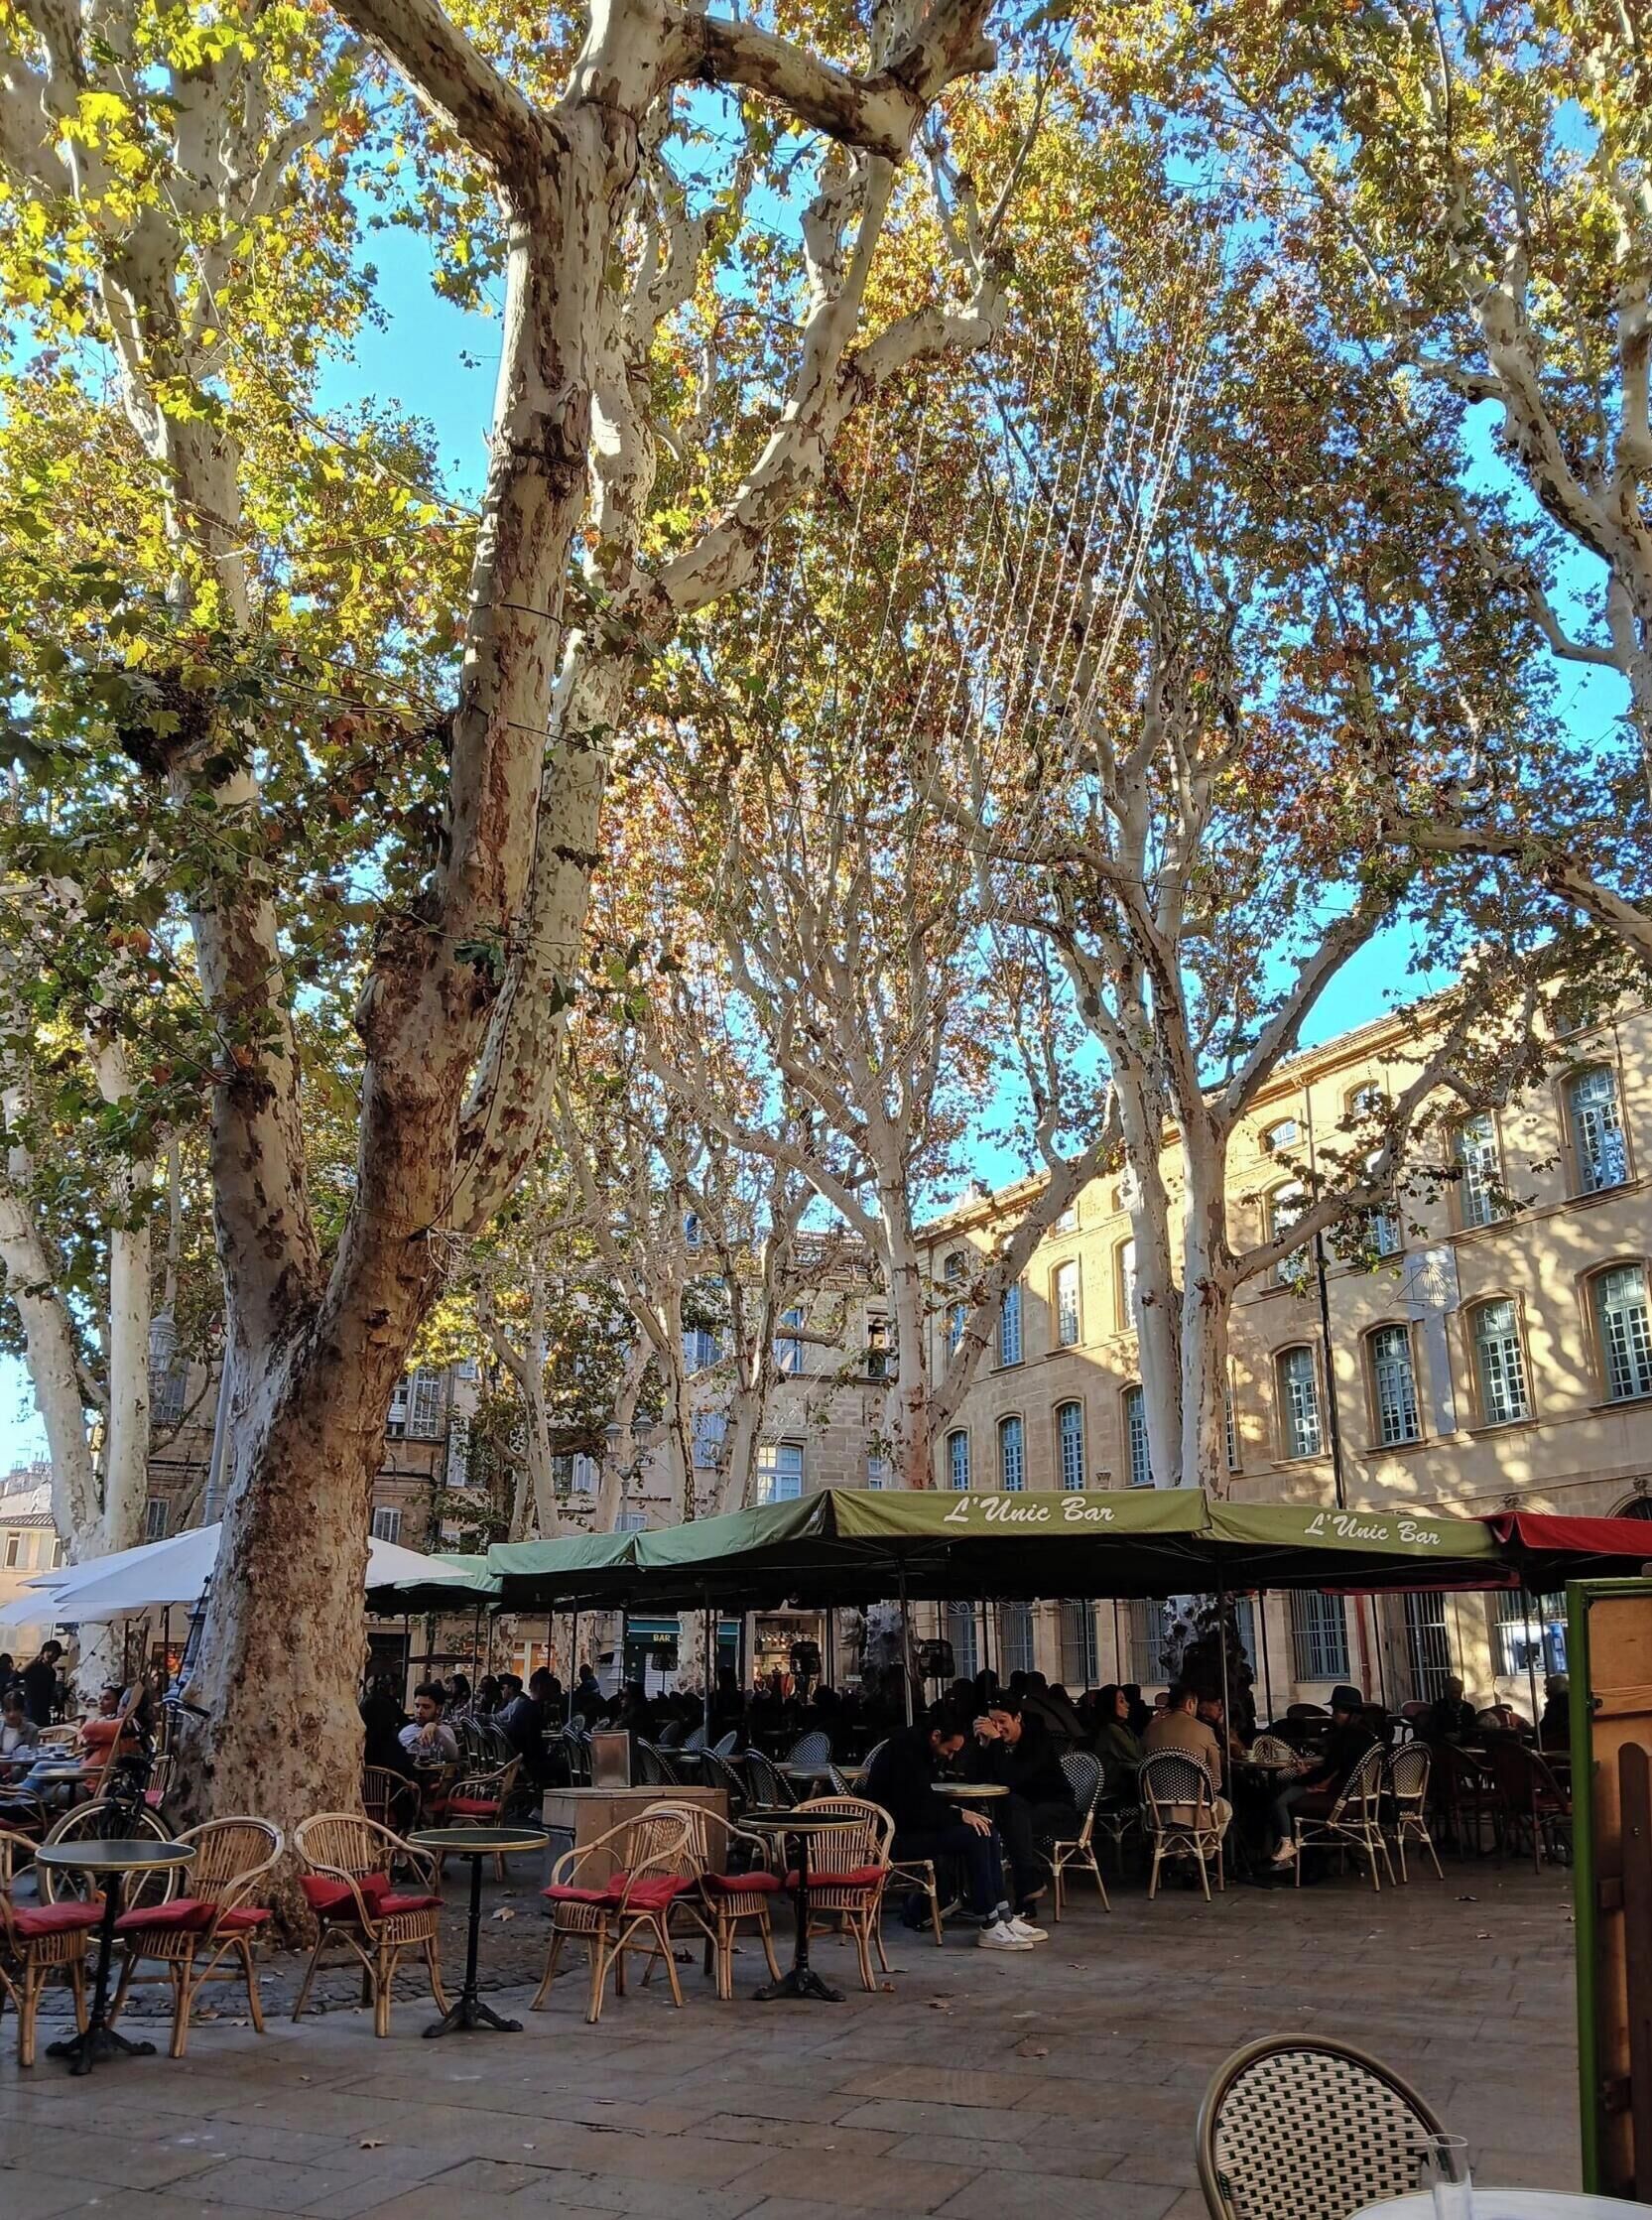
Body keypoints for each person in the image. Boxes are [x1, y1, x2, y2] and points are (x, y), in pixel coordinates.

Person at [864, 1707, 1036, 1950]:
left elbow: (922, 1804)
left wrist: (959, 1814)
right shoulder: (907, 1753)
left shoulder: (918, 1748)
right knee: (975, 1837)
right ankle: (989, 1922)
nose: (951, 1757)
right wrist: (958, 1814)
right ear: (936, 1736)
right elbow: (915, 1810)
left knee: (986, 1831)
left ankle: (1002, 1915)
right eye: (950, 1750)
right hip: (894, 1836)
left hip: (910, 1826)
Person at [973, 1694, 1077, 1925]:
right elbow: (977, 1778)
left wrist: (996, 1744)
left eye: (1002, 1722)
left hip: (1055, 1808)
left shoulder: (1037, 1740)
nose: (998, 1729)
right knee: (997, 1816)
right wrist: (983, 1747)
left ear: (1017, 1718)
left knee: (1013, 1812)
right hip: (1015, 1811)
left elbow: (1013, 1779)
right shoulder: (993, 1743)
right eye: (993, 1724)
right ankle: (1021, 1885)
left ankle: (1025, 1898)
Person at [1266, 1684, 1376, 1868]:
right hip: (1363, 1798)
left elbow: (1328, 1769)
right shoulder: (1369, 1737)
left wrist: (1302, 1777)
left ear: (1351, 1714)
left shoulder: (1345, 1738)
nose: (1333, 1715)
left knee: (1282, 1800)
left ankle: (1287, 1844)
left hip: (1340, 1799)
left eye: (1338, 1711)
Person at [1143, 1683, 1234, 1856]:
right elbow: (1215, 1783)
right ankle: (1202, 1855)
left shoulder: (1150, 1731)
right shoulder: (1205, 1731)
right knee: (1226, 1809)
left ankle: (1180, 1854)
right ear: (1191, 1704)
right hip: (1197, 1811)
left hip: (1157, 1813)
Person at [1090, 1683, 1144, 1791]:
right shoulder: (1111, 1730)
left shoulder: (1124, 1728)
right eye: (1121, 1701)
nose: (1127, 1705)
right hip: (1114, 1788)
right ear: (1109, 1704)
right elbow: (1137, 1755)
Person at [399, 1682, 460, 1765]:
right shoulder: (407, 1730)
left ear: (438, 1709)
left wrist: (433, 1727)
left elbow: (453, 1755)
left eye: (426, 1707)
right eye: (417, 1706)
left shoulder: (444, 1731)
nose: (419, 1711)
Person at [21, 1640, 63, 1729]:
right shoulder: (33, 1667)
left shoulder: (52, 1673)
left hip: (44, 1714)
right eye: (48, 1650)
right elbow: (15, 1678)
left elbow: (51, 1692)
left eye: (54, 1652)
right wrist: (32, 1661)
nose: (50, 1654)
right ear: (43, 1652)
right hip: (30, 1712)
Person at [1426, 1675, 1475, 1743]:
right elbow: (1433, 1728)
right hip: (1445, 1744)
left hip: (1466, 1743)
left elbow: (1473, 1728)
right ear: (1446, 1691)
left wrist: (1463, 1736)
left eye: (1458, 1691)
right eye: (1452, 1691)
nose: (1456, 1694)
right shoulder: (1439, 1706)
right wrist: (1445, 1735)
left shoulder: (1468, 1708)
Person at [1540, 1673, 1571, 1751]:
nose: (1546, 1691)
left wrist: (1529, 1730)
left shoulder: (1555, 1703)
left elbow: (1545, 1726)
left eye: (1547, 1688)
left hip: (1555, 1742)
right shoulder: (1571, 1700)